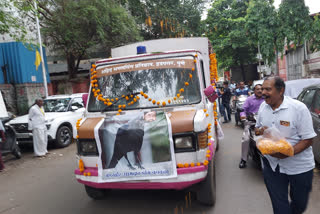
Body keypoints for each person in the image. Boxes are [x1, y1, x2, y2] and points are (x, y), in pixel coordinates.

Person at [255, 77, 316, 214]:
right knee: (280, 208)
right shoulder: (263, 107)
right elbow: (257, 129)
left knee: (299, 205)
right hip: (272, 165)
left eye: (268, 89)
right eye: (262, 89)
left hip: (299, 167)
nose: (263, 92)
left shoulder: (298, 108)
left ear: (281, 90)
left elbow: (308, 139)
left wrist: (287, 152)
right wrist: (260, 131)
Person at [238, 84, 264, 168]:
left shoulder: (266, 99)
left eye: (261, 89)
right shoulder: (249, 99)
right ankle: (243, 159)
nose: (260, 91)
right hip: (251, 122)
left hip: (265, 123)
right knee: (246, 139)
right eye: (257, 89)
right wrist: (243, 116)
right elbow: (243, 110)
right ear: (254, 91)